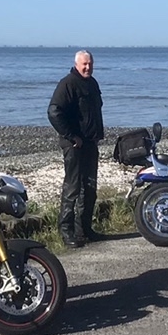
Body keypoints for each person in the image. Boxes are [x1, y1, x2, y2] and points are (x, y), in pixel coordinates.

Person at [47, 50, 105, 248]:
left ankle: (85, 229)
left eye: (90, 64)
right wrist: (71, 136)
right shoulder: (68, 83)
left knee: (89, 188)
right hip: (74, 144)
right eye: (84, 64)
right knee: (72, 188)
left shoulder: (92, 83)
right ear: (77, 64)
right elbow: (54, 112)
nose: (87, 67)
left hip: (90, 143)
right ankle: (66, 231)